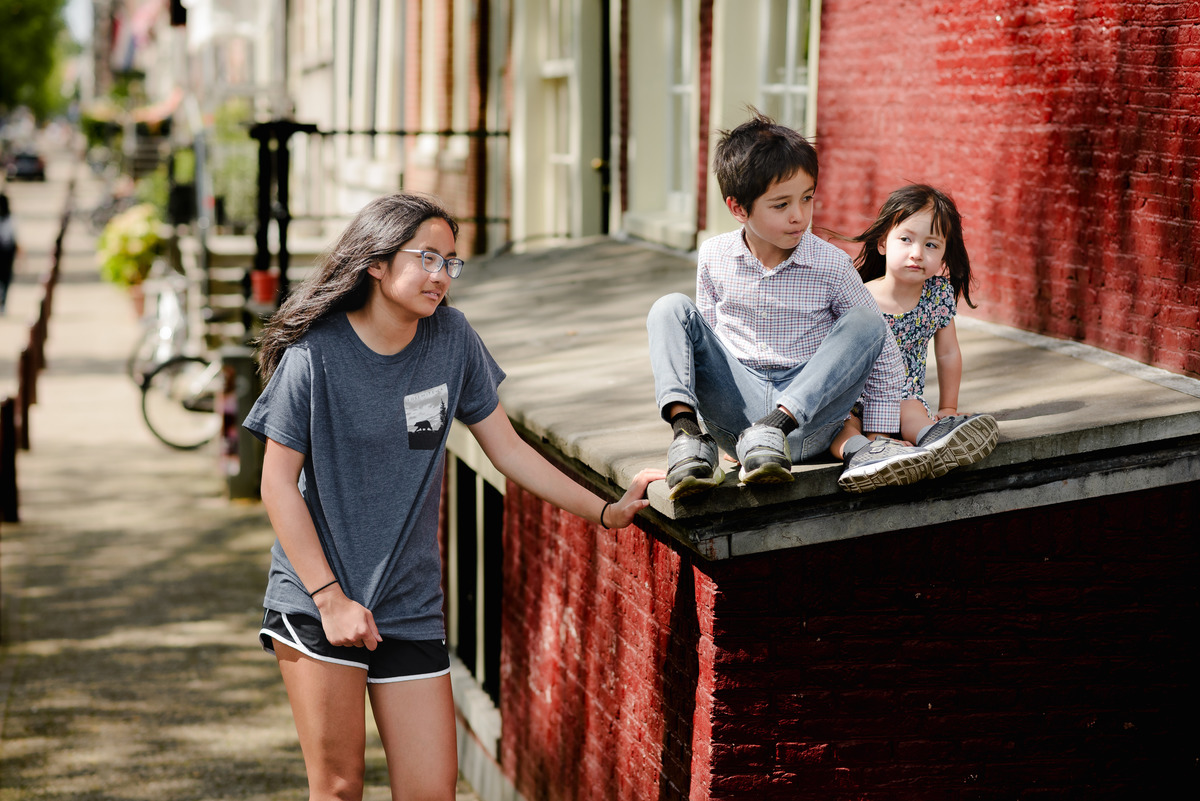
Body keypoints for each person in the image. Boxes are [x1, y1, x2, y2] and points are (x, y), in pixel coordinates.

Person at [243, 193, 663, 801]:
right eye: (428, 258)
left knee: (431, 790)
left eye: (452, 262)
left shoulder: (452, 340)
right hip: (317, 602)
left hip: (411, 605)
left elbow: (510, 450)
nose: (442, 275)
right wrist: (331, 600)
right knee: (337, 788)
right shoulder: (317, 356)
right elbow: (275, 483)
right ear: (377, 263)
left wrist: (606, 509)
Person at [646, 109, 926, 500]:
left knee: (866, 320)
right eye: (781, 205)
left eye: (807, 199)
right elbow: (702, 345)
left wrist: (879, 434)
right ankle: (688, 439)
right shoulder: (713, 256)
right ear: (738, 208)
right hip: (737, 424)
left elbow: (883, 356)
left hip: (807, 424)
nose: (799, 217)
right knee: (669, 308)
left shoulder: (831, 263)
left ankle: (779, 427)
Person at [830, 184, 998, 493]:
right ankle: (867, 453)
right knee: (841, 426)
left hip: (901, 397)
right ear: (882, 243)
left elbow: (948, 353)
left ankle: (935, 441)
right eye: (906, 239)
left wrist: (948, 407)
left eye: (932, 245)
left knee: (912, 411)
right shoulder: (857, 297)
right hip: (852, 398)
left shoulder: (937, 295)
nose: (917, 253)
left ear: (945, 252)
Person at [0, 193, 18, 314]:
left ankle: (3, 302)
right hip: (7, 253)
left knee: (5, 279)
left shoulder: (11, 219)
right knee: (5, 279)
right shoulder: (11, 220)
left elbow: (15, 238)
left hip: (7, 253)